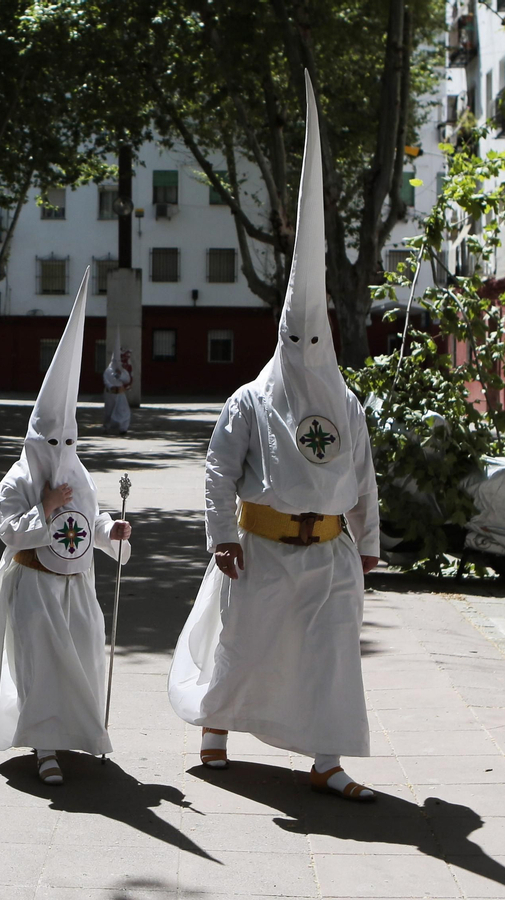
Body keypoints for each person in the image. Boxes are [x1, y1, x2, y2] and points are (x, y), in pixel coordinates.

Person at [167, 77, 381, 802]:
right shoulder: (249, 398)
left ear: (327, 340)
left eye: (310, 337)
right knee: (244, 646)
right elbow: (217, 470)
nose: (300, 345)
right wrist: (218, 535)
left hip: (329, 551)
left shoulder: (346, 402)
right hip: (258, 549)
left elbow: (363, 473)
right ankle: (215, 724)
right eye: (291, 336)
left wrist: (369, 536)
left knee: (332, 657)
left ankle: (327, 758)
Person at [0, 271, 132, 785]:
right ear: (33, 440)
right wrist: (43, 509)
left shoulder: (78, 473)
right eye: (50, 443)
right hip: (34, 588)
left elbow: (88, 521)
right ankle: (44, 746)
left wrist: (112, 533)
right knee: (41, 667)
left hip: (78, 585)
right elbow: (9, 533)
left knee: (85, 657)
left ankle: (77, 734)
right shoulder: (16, 481)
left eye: (67, 443)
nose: (59, 453)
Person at [102, 331, 132, 435]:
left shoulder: (123, 370)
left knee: (124, 411)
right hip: (110, 394)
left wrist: (120, 375)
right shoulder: (108, 370)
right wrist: (111, 386)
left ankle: (123, 428)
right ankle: (107, 426)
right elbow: (105, 380)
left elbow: (127, 379)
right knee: (109, 411)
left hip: (120, 394)